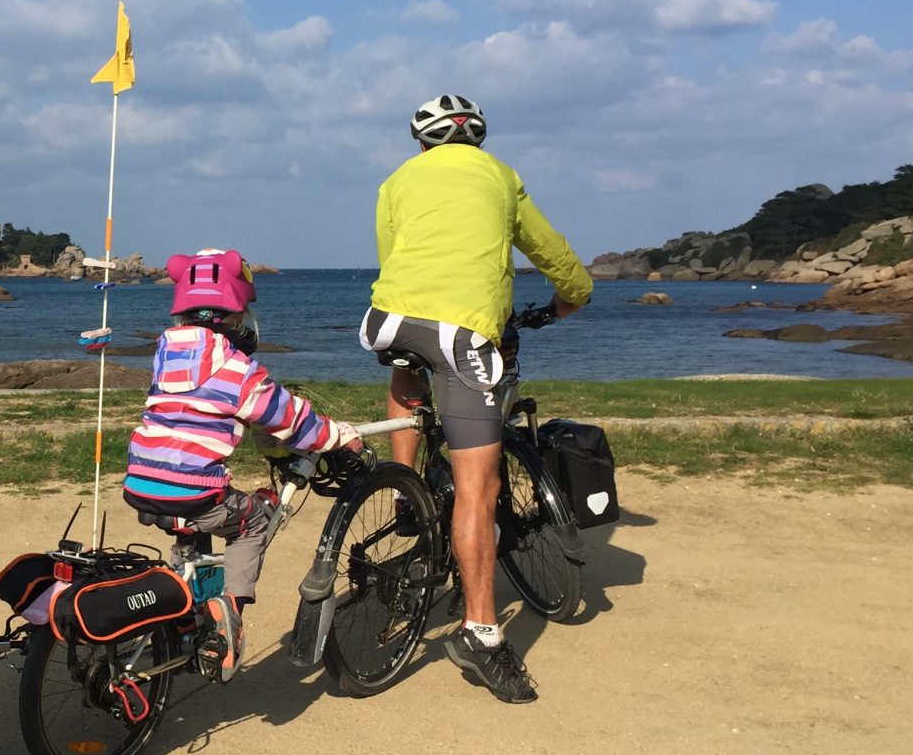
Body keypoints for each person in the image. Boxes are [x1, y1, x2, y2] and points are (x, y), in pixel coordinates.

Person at [362, 94, 593, 703]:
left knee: (409, 379)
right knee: (480, 486)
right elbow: (551, 251)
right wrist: (573, 295)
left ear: (422, 143)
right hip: (463, 333)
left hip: (388, 319)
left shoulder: (395, 182)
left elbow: (395, 254)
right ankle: (481, 635)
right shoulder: (501, 177)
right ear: (477, 141)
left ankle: (404, 494)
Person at [124, 248, 363, 682]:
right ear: (235, 314)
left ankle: (184, 619)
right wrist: (339, 435)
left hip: (141, 480)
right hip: (194, 489)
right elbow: (290, 419)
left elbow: (202, 409)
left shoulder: (165, 354)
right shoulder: (236, 367)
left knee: (193, 521)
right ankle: (229, 611)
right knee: (251, 522)